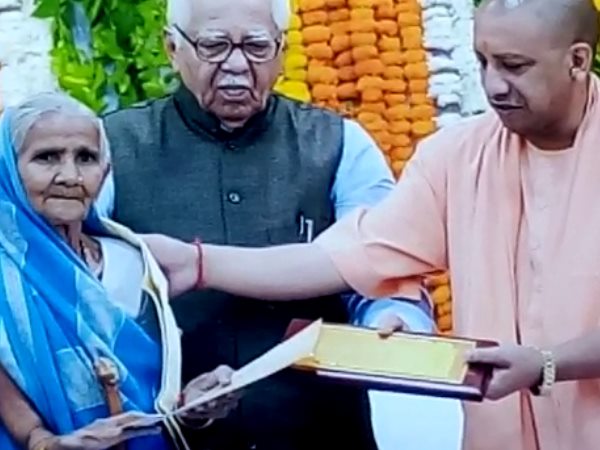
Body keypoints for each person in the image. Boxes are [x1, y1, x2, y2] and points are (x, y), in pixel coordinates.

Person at [140, 0, 600, 449]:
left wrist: (549, 364)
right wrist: (200, 264)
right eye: (482, 62)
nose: (493, 85)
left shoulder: (335, 141)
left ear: (577, 61)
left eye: (514, 66)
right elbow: (345, 258)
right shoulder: (458, 156)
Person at [95, 0, 443, 448]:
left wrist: (394, 317)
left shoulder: (338, 144)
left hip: (319, 429)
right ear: (172, 48)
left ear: (282, 51)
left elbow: (384, 269)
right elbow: (79, 291)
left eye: (256, 47)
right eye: (214, 46)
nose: (237, 65)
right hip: (166, 432)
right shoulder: (108, 148)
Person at [0, 92, 239, 450]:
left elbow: (150, 393)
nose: (70, 176)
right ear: (8, 170)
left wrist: (188, 405)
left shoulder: (130, 262)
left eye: (86, 158)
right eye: (47, 157)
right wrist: (51, 443)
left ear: (106, 171)